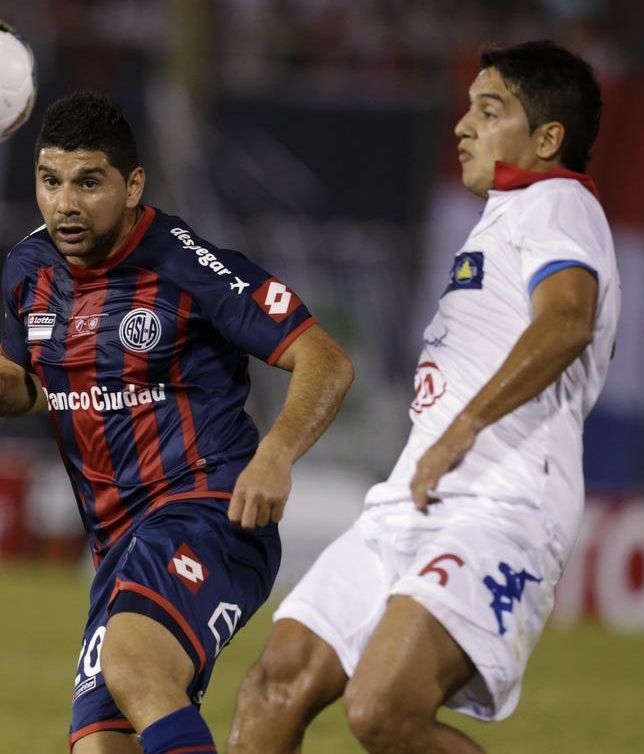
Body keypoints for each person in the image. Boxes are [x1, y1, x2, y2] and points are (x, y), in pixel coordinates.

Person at [228, 40, 621, 753]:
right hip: (412, 501)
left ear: (547, 138)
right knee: (274, 683)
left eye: (488, 109)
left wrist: (462, 428)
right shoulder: (506, 219)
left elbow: (567, 322)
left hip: (501, 507)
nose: (461, 125)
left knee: (383, 710)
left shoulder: (557, 203)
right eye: (467, 106)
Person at [0, 91, 354, 754]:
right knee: (100, 747)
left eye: (88, 183)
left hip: (209, 514)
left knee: (135, 667)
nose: (65, 204)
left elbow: (325, 361)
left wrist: (276, 454)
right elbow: (24, 381)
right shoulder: (29, 266)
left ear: (133, 185)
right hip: (117, 544)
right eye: (49, 183)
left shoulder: (188, 268)